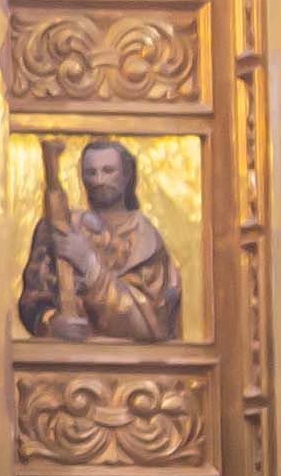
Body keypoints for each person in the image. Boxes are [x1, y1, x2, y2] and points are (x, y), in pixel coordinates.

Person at [18, 137, 179, 341]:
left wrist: (89, 265)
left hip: (129, 357)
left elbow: (154, 323)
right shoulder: (62, 226)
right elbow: (34, 300)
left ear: (126, 175)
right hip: (65, 356)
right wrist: (51, 322)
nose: (99, 180)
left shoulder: (146, 239)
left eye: (108, 171)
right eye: (91, 173)